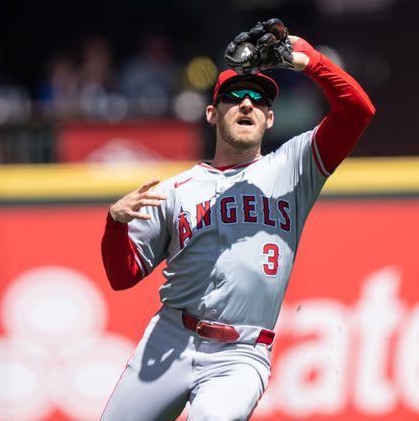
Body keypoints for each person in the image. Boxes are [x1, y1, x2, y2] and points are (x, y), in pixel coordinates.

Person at [99, 27, 375, 421]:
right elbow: (122, 275)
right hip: (171, 334)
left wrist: (308, 60)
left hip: (241, 353)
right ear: (212, 113)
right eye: (234, 97)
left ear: (269, 117)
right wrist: (114, 223)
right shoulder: (174, 190)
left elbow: (357, 112)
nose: (247, 104)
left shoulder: (294, 167)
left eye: (259, 100)